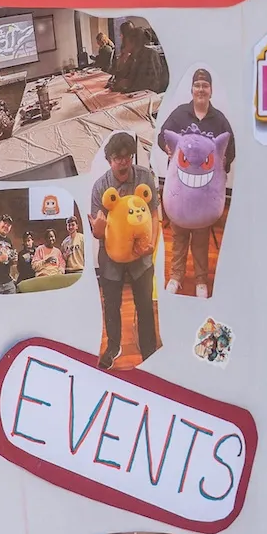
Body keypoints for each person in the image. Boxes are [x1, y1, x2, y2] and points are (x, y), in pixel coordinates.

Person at [157, 67, 236, 294]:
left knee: (201, 239)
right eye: (197, 85)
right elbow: (164, 136)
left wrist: (221, 171)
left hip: (203, 196)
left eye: (205, 86)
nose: (201, 89)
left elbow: (230, 149)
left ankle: (201, 280)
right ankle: (176, 276)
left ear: (211, 91)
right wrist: (170, 151)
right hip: (180, 194)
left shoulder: (219, 120)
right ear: (192, 90)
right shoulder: (180, 114)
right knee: (179, 236)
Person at [89, 131, 160, 365]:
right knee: (111, 305)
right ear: (109, 160)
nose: (123, 162)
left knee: (145, 304)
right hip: (111, 255)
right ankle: (113, 347)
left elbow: (154, 212)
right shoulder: (101, 187)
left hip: (141, 254)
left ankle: (149, 350)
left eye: (127, 157)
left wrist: (151, 245)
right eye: (117, 158)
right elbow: (97, 232)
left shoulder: (145, 178)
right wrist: (97, 228)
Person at [107, 17, 169, 95]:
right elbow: (121, 75)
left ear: (133, 42)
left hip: (149, 97)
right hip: (136, 94)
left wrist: (129, 84)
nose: (124, 42)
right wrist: (123, 58)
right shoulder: (133, 56)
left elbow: (151, 84)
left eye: (127, 41)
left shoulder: (150, 54)